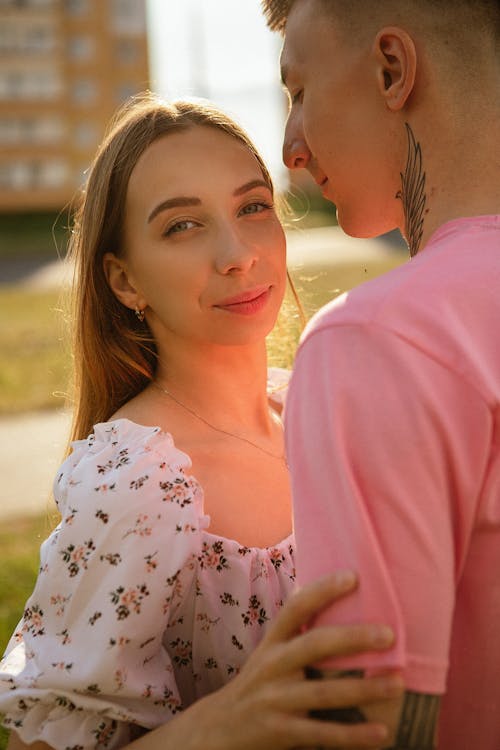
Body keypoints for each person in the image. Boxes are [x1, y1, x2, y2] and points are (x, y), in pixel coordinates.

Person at [0, 94, 404, 750]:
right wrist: (220, 725)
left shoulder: (316, 406)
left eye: (252, 207)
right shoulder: (137, 481)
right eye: (182, 225)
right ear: (125, 280)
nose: (237, 253)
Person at [261, 0, 500, 747]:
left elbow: (367, 726)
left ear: (392, 69)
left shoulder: (374, 339)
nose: (290, 146)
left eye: (298, 91)